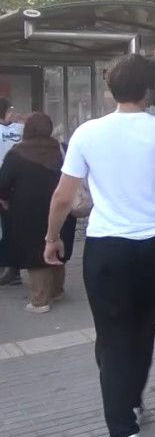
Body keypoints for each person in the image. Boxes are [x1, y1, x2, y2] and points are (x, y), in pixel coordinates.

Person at [44, 54, 155, 437]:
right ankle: (132, 402)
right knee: (142, 330)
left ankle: (123, 434)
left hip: (107, 249)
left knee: (112, 339)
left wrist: (52, 238)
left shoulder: (87, 133)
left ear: (111, 91)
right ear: (151, 92)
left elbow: (62, 197)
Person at [0, 112, 75, 311]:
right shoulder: (62, 149)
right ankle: (57, 290)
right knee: (58, 246)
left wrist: (5, 201)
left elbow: (3, 184)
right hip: (62, 208)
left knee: (35, 254)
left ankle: (40, 300)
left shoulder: (17, 154)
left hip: (27, 212)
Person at [0, 97, 25, 285]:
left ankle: (7, 267)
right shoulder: (20, 130)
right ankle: (12, 268)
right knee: (11, 226)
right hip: (15, 184)